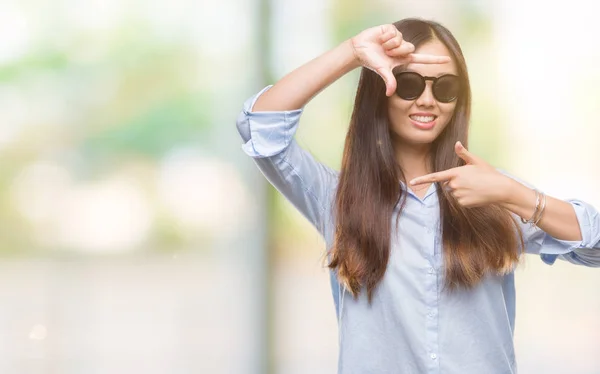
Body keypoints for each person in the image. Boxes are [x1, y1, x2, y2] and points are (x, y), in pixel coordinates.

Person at [235, 18, 600, 373]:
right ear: (382, 89)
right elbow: (260, 126)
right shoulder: (336, 198)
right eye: (409, 83)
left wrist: (515, 195)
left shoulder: (491, 191)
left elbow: (594, 245)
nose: (427, 100)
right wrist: (352, 53)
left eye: (444, 87)